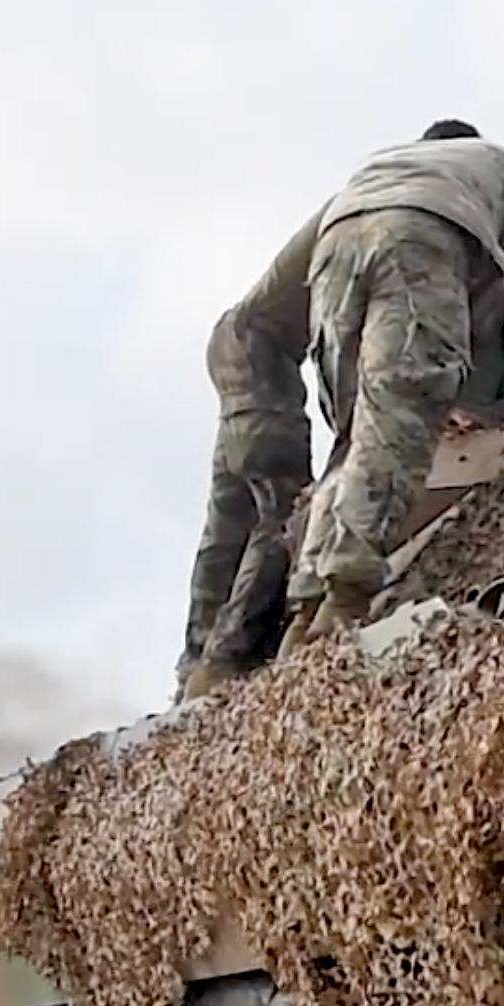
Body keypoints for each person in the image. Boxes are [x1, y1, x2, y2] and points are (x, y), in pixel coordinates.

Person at [284, 120, 504, 644]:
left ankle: (304, 607)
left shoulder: (398, 162)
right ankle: (344, 599)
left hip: (336, 242)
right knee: (395, 430)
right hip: (420, 236)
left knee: (357, 438)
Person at [177, 207, 323, 702]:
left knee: (229, 518)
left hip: (233, 339)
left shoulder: (375, 194)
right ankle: (226, 659)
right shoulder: (401, 219)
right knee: (285, 511)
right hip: (264, 350)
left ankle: (193, 661)